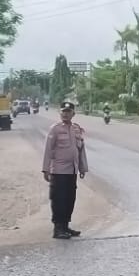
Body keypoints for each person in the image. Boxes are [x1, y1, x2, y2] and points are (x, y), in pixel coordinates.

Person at [41, 101, 88, 239]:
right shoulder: (55, 129)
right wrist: (45, 169)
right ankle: (58, 229)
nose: (65, 114)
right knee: (58, 200)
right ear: (60, 113)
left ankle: (66, 226)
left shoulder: (76, 129)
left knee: (69, 199)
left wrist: (82, 168)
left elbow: (81, 150)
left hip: (72, 171)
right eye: (63, 112)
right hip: (58, 171)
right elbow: (48, 149)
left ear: (73, 114)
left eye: (68, 112)